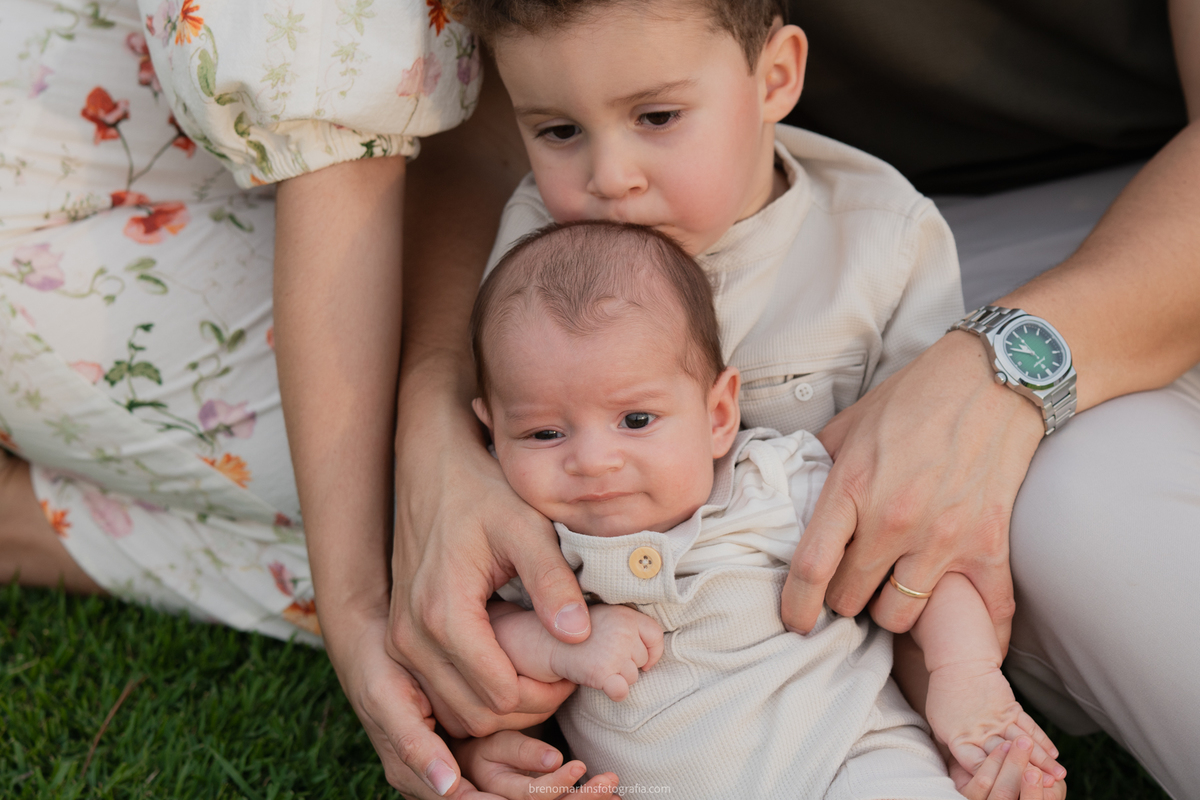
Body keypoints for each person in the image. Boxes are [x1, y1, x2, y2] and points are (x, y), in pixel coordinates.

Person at [386, 1, 1200, 798]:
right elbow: (497, 538)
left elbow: (931, 501)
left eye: (659, 117)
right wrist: (494, 725)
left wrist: (959, 682)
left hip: (840, 709)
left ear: (776, 76)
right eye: (558, 132)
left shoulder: (878, 239)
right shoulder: (526, 257)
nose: (610, 178)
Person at [456, 219, 1064, 800]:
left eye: (635, 421)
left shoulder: (774, 478)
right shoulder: (527, 539)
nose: (591, 461)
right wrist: (558, 644)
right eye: (542, 434)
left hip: (850, 757)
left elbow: (917, 561)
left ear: (719, 416)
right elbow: (477, 637)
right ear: (492, 432)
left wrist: (964, 674)